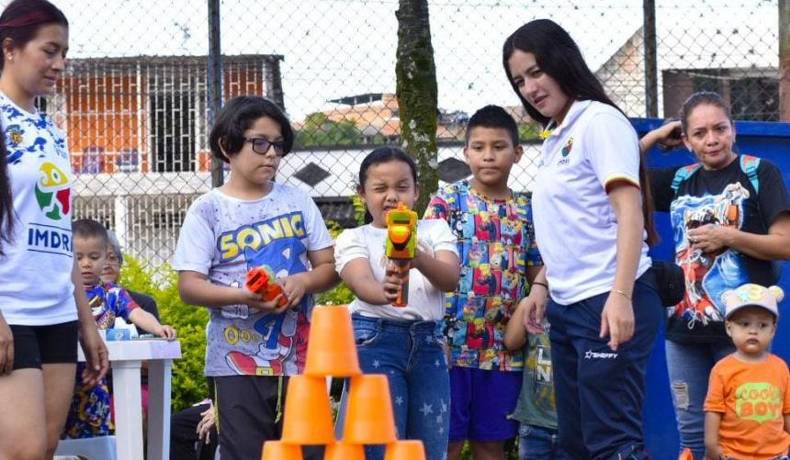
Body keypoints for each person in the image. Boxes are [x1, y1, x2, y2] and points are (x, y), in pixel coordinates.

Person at [503, 19, 663, 459]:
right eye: (519, 81)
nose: (529, 88)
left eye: (536, 72)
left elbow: (628, 215)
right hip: (568, 307)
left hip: (608, 300)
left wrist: (621, 295)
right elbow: (575, 227)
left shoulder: (600, 120)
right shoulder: (557, 137)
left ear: (562, 61)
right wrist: (541, 287)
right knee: (573, 445)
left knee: (612, 445)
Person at [173, 95, 336, 460]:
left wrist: (304, 282)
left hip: (301, 360)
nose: (272, 154)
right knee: (244, 453)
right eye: (259, 143)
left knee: (307, 452)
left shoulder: (297, 201)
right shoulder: (208, 210)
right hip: (234, 362)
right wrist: (244, 295)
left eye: (278, 145)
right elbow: (189, 286)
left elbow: (329, 266)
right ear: (227, 146)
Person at [643, 92, 790, 458]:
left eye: (720, 129)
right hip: (683, 328)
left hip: (743, 328)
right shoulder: (679, 180)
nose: (711, 139)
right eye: (700, 133)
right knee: (691, 435)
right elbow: (611, 175)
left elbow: (785, 244)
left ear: (734, 130)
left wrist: (730, 237)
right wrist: (650, 139)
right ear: (688, 142)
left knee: (747, 431)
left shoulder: (759, 173)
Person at [0, 1, 109, 458]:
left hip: (58, 314)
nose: (60, 64)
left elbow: (59, 237)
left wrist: (87, 323)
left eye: (64, 52)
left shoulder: (51, 132)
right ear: (10, 48)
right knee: (22, 451)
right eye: (49, 50)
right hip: (11, 311)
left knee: (43, 451)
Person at [423, 105, 544, 460]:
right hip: (448, 348)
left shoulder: (527, 209)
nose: (488, 156)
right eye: (478, 147)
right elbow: (422, 266)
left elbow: (537, 271)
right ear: (465, 153)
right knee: (445, 440)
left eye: (498, 146)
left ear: (517, 153)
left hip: (503, 351)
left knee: (491, 444)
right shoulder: (447, 202)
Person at [334, 146, 460, 460]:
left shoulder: (435, 230)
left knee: (429, 444)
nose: (392, 196)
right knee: (379, 443)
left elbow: (450, 278)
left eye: (402, 187)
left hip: (428, 342)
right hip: (375, 341)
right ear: (362, 193)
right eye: (380, 188)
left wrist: (417, 256)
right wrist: (384, 291)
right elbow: (360, 282)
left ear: (417, 191)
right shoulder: (355, 237)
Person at [62, 218, 176, 439]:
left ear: (106, 257)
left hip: (95, 383)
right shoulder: (60, 291)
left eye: (93, 257)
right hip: (60, 376)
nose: (86, 264)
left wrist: (158, 328)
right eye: (78, 257)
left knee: (96, 440)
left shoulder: (112, 293)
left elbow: (137, 312)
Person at [703, 283, 789, 459]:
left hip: (777, 454)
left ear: (773, 330)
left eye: (762, 325)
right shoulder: (722, 369)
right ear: (729, 328)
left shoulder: (780, 367)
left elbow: (787, 410)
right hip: (734, 454)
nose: (753, 331)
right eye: (744, 323)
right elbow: (713, 411)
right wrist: (711, 446)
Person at [504, 297, 563, 459]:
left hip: (575, 427)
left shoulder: (589, 309)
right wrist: (528, 302)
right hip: (535, 424)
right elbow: (510, 342)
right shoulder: (536, 307)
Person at [102, 230, 160, 324]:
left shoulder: (144, 304)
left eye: (112, 258)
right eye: (97, 258)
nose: (106, 265)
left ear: (120, 263)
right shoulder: (76, 303)